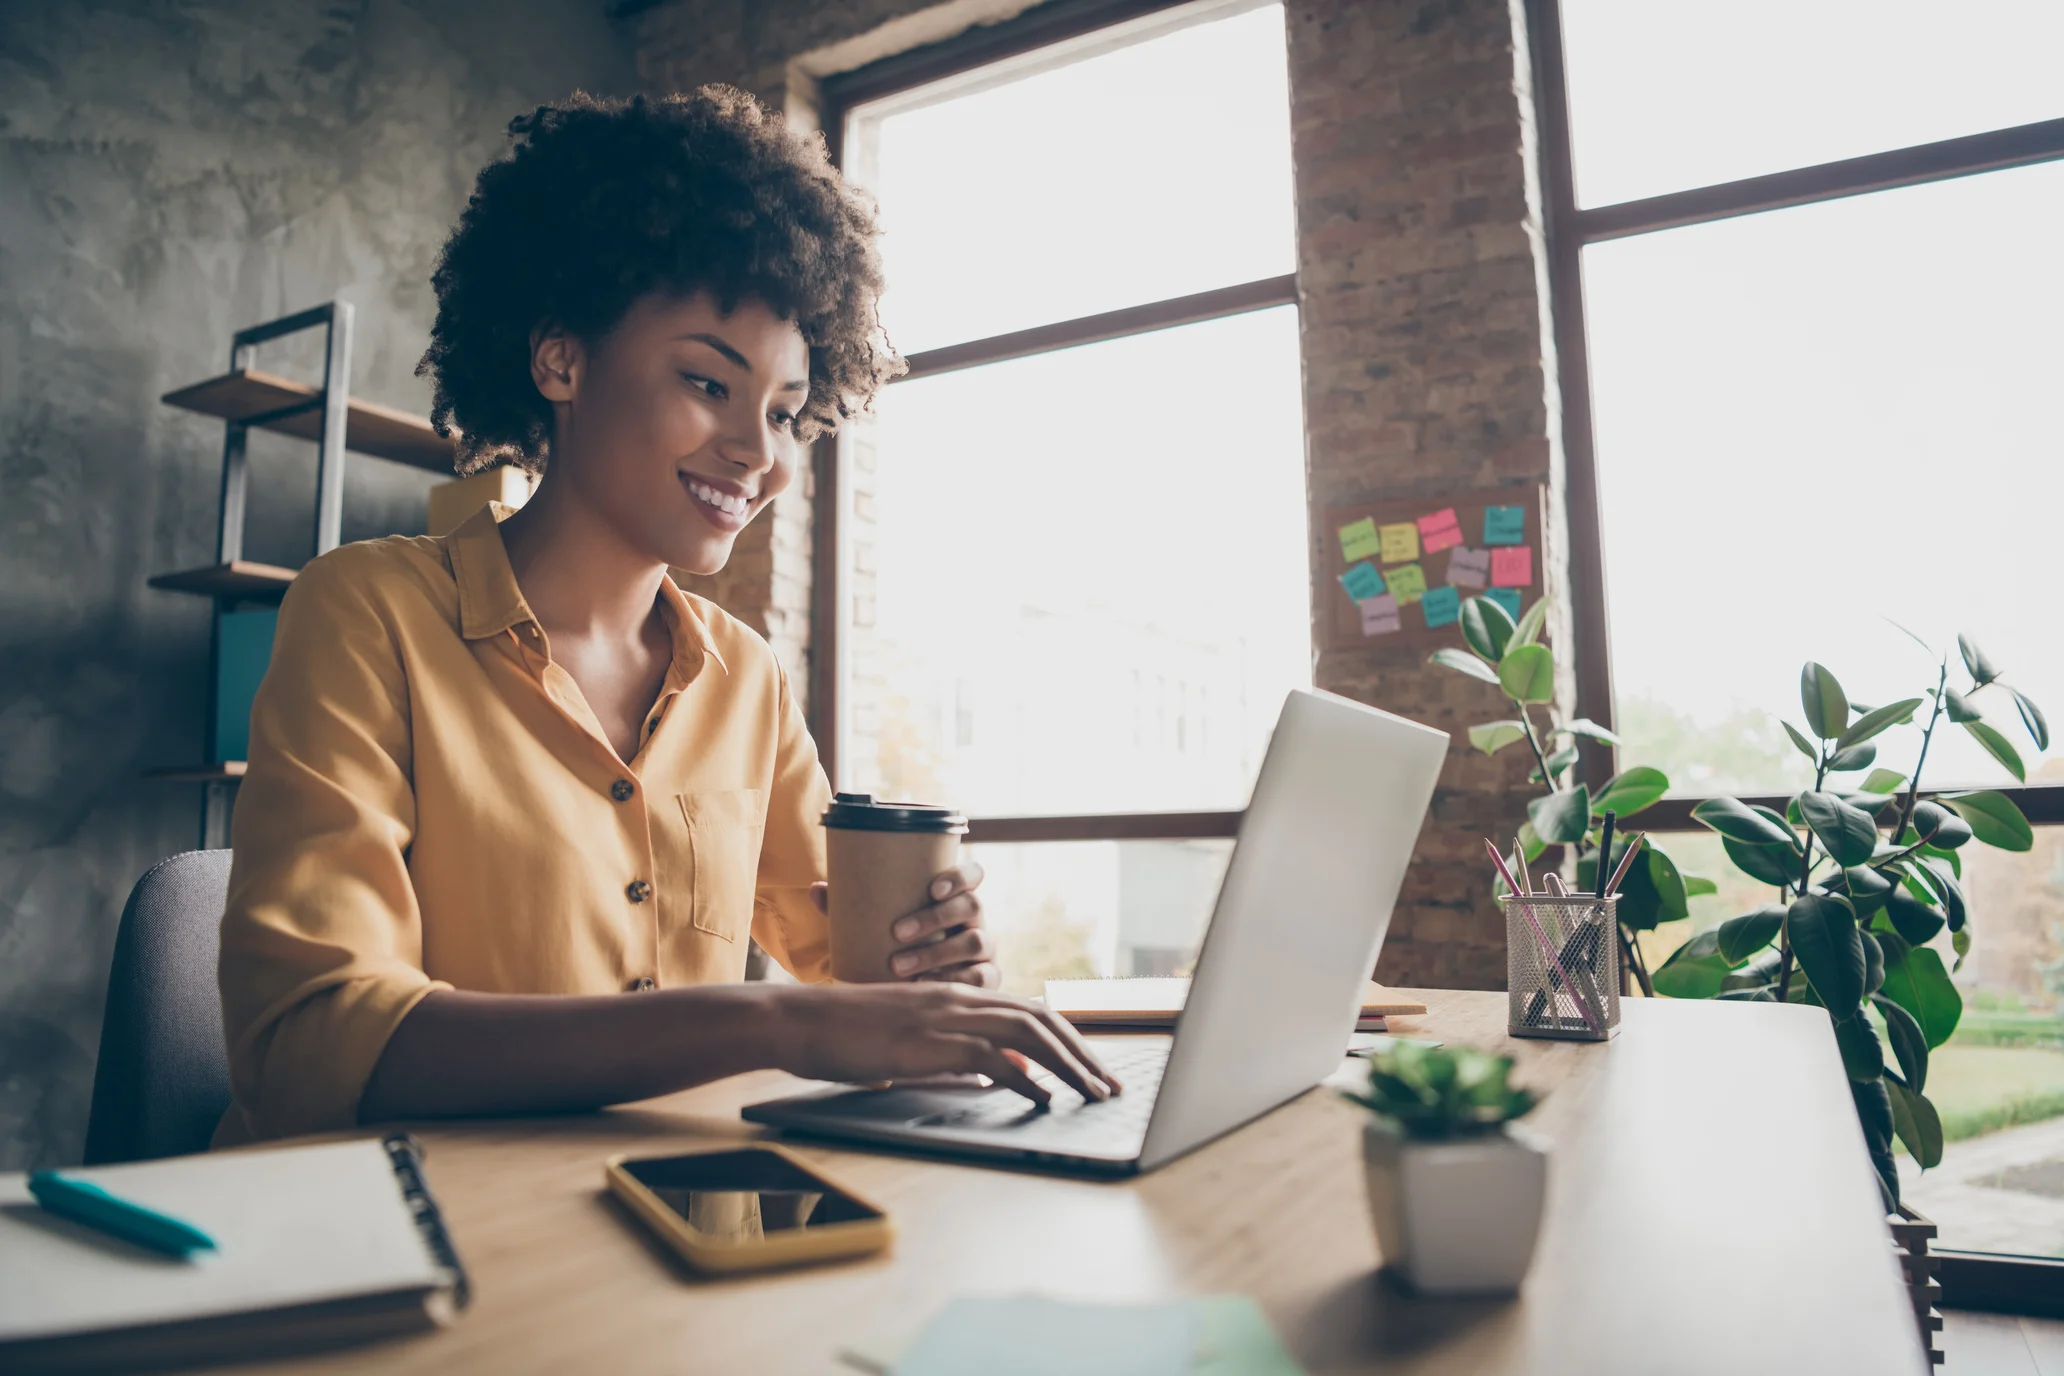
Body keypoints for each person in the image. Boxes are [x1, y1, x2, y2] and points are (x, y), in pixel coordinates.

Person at [215, 88, 1117, 1145]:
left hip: (658, 1223)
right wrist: (769, 1017)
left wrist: (938, 960)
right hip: (394, 1235)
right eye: (707, 381)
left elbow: (849, 971)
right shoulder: (367, 613)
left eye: (784, 413)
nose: (759, 452)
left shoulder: (744, 676)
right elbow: (313, 1040)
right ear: (561, 360)